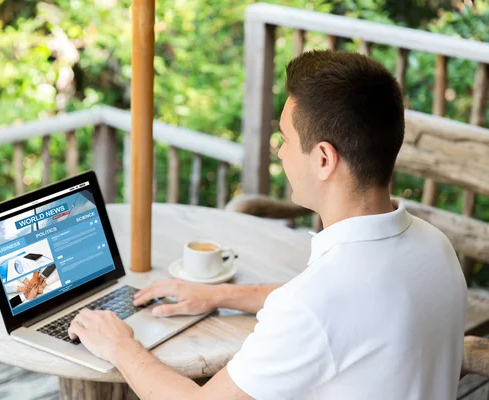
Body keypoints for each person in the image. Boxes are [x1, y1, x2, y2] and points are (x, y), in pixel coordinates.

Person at [67, 50, 467, 399]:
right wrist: (219, 295)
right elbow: (342, 308)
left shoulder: (319, 301)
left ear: (324, 159)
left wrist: (120, 345)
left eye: (285, 139)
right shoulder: (434, 247)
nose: (280, 151)